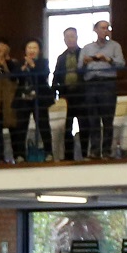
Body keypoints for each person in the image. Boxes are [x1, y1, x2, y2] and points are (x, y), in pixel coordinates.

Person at [79, 20, 126, 159]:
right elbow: (79, 68)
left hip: (107, 83)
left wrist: (107, 59)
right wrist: (86, 62)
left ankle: (106, 151)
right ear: (95, 30)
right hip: (91, 83)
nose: (105, 30)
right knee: (93, 119)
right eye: (102, 28)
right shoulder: (87, 48)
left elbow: (121, 64)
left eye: (107, 28)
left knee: (107, 119)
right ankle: (94, 151)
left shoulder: (115, 46)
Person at [14, 39, 54, 162]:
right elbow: (13, 77)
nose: (32, 50)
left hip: (39, 98)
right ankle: (20, 154)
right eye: (29, 48)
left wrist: (32, 66)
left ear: (39, 51)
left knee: (43, 125)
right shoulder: (19, 63)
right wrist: (23, 68)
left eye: (34, 48)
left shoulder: (43, 62)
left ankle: (48, 153)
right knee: (21, 126)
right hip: (23, 99)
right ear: (25, 50)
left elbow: (44, 75)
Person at [53, 27, 87, 161]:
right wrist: (55, 91)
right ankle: (68, 156)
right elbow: (56, 76)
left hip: (82, 95)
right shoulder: (61, 57)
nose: (70, 39)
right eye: (67, 37)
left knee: (84, 125)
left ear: (77, 37)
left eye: (72, 36)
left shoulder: (84, 54)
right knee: (67, 127)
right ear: (64, 40)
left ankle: (84, 155)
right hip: (67, 96)